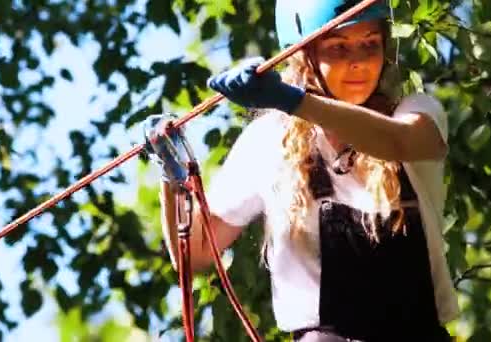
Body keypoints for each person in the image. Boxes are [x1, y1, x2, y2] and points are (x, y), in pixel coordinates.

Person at [144, 0, 459, 340]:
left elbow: (401, 142)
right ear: (302, 55)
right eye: (338, 47)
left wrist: (294, 101)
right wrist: (172, 178)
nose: (358, 61)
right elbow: (197, 254)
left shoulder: (415, 112)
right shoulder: (269, 141)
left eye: (371, 43)